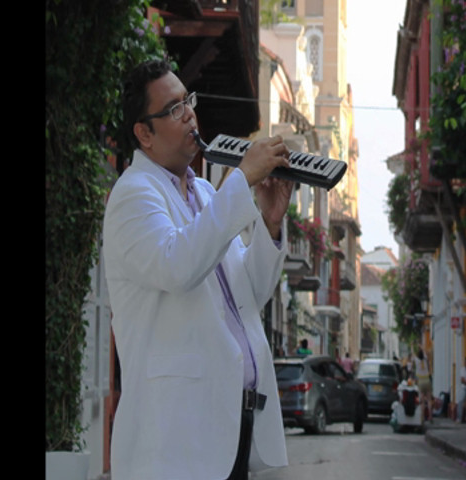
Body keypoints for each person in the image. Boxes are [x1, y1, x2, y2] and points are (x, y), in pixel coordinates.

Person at [102, 59, 295, 480]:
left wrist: (270, 223)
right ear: (144, 134)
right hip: (176, 438)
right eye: (173, 109)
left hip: (231, 427)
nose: (189, 112)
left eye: (187, 100)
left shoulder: (207, 193)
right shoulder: (133, 195)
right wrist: (241, 180)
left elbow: (250, 294)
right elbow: (178, 266)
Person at [412, 349, 433, 423]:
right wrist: (422, 348)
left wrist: (412, 346)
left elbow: (413, 354)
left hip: (420, 381)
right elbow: (426, 354)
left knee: (422, 401)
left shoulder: (417, 361)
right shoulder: (425, 360)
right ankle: (430, 416)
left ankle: (423, 417)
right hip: (427, 380)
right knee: (429, 400)